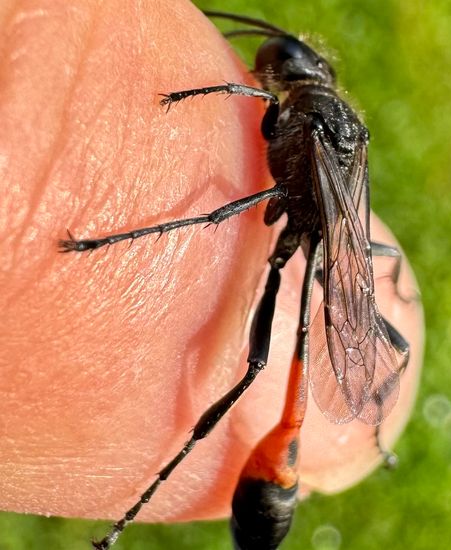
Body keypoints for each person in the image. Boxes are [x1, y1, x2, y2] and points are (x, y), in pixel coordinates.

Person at [0, 0, 423, 530]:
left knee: (252, 368)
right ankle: (376, 425)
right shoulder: (346, 134)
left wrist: (221, 92)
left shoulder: (312, 123)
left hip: (321, 244)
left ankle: (150, 488)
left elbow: (243, 181)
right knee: (381, 345)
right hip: (336, 246)